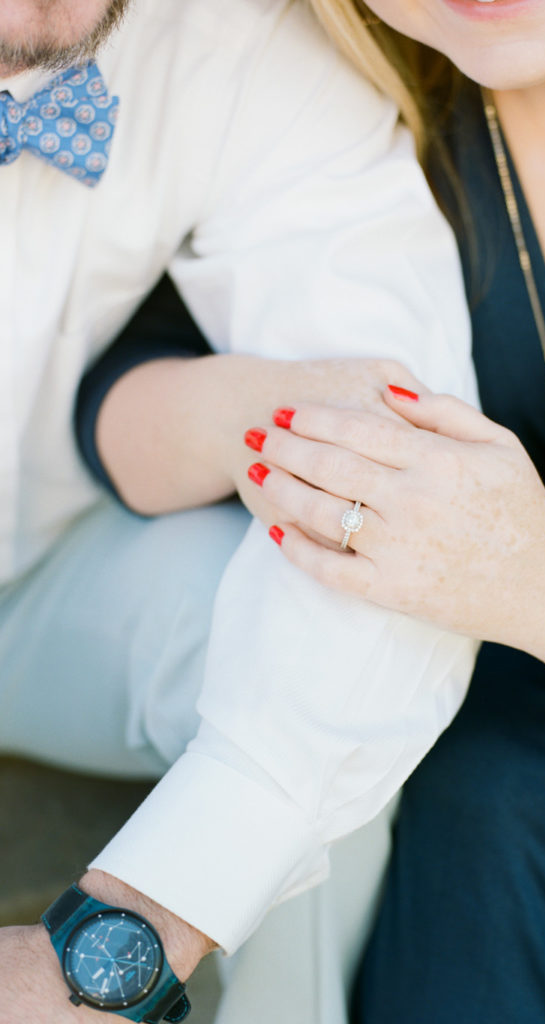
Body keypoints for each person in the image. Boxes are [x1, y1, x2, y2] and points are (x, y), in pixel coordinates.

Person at [230, 0, 545, 1020]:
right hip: (481, 872)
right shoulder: (322, 91)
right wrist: (248, 415)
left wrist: (529, 580)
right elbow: (116, 389)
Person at [0, 0, 481, 1021]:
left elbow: (411, 483)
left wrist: (130, 934)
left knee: (327, 656)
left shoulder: (233, 36)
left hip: (38, 583)